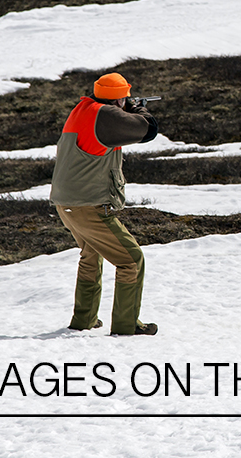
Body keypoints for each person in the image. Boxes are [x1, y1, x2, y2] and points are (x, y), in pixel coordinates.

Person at [49, 72, 159, 336]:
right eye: (125, 98)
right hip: (89, 207)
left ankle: (84, 320)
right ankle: (126, 326)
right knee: (131, 260)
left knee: (90, 255)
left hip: (67, 205)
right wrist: (138, 108)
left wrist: (127, 106)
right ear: (119, 99)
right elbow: (149, 130)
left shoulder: (83, 109)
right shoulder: (105, 115)